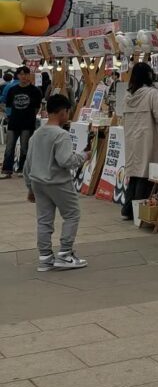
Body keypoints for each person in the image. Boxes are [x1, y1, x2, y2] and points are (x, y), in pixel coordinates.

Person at [24, 94, 89, 271]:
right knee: (72, 214)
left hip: (38, 182)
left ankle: (45, 257)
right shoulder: (61, 135)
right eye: (68, 112)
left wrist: (29, 186)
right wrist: (83, 156)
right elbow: (66, 161)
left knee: (44, 220)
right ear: (63, 112)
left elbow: (28, 163)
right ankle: (65, 254)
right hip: (58, 182)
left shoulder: (37, 134)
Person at [121, 62, 158, 220]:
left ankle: (127, 210)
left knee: (134, 174)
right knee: (146, 174)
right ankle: (139, 211)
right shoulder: (152, 93)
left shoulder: (127, 95)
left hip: (131, 139)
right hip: (147, 138)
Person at [2, 67, 43, 178]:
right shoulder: (12, 90)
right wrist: (9, 116)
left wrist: (30, 116)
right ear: (18, 76)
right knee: (9, 146)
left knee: (25, 147)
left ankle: (22, 169)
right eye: (21, 74)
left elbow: (36, 108)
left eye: (25, 74)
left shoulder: (35, 91)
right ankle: (7, 170)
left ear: (29, 75)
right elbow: (8, 105)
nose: (23, 76)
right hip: (13, 122)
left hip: (28, 123)